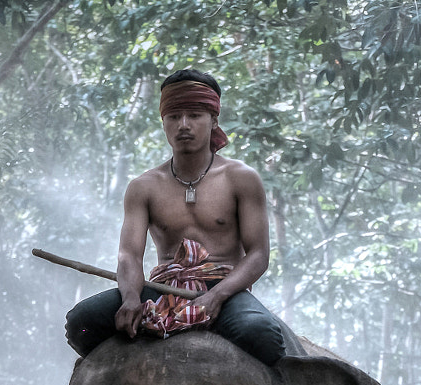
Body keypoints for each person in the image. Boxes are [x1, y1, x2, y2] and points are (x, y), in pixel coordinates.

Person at [63, 68, 298, 366]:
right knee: (81, 323)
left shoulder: (241, 178)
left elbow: (259, 255)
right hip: (161, 290)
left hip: (223, 289)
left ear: (214, 120)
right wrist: (131, 298)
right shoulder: (143, 186)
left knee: (260, 333)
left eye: (195, 115)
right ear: (163, 122)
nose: (183, 125)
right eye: (173, 116)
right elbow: (129, 256)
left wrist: (218, 296)